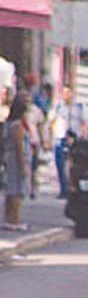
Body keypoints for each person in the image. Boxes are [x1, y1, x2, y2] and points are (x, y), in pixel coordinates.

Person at [48, 85, 88, 199]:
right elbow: (51, 122)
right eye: (64, 93)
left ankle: (73, 189)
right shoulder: (58, 107)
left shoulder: (79, 107)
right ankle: (63, 190)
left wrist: (84, 138)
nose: (67, 95)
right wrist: (50, 137)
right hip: (61, 138)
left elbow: (84, 123)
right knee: (60, 165)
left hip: (75, 139)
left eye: (69, 93)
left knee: (74, 165)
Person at [2, 95, 31, 231]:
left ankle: (8, 218)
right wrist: (23, 165)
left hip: (9, 157)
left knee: (10, 189)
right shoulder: (17, 125)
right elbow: (19, 146)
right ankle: (15, 219)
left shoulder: (8, 123)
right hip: (15, 159)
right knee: (17, 190)